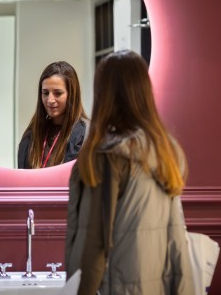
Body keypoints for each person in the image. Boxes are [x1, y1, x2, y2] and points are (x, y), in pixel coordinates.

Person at [65, 50, 194, 294]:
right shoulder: (164, 153)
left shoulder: (107, 157)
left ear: (103, 94)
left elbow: (94, 246)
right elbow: (178, 241)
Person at [18, 61, 88, 169]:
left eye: (58, 93)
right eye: (45, 93)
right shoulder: (31, 134)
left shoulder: (85, 134)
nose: (50, 100)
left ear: (72, 94)